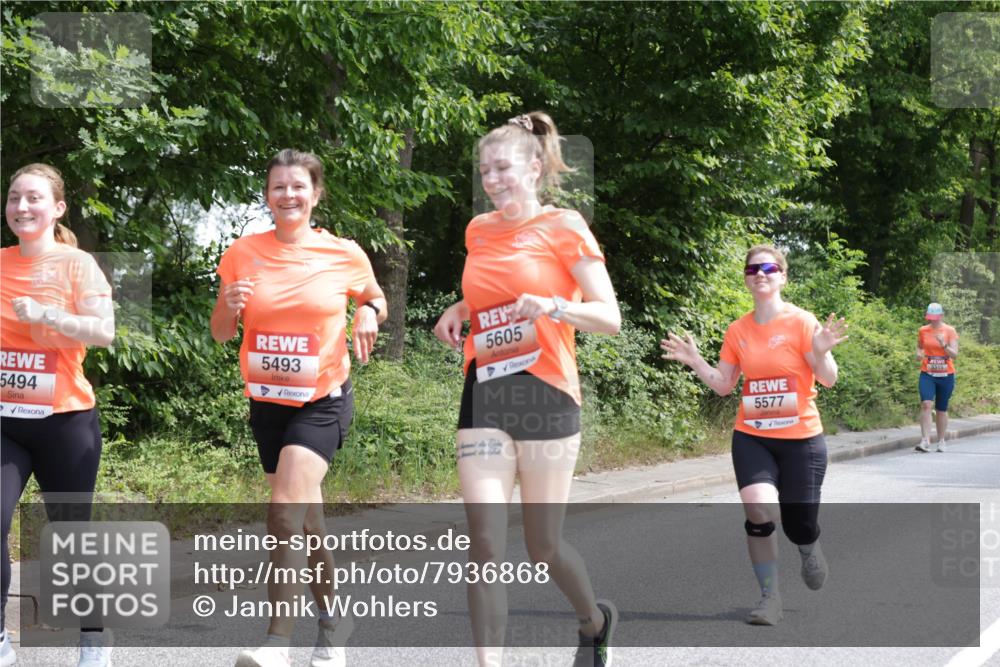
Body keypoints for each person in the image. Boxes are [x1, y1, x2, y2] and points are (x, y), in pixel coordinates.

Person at [433, 112, 621, 667]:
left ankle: (594, 621)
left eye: (503, 167)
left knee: (543, 547)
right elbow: (495, 291)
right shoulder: (479, 230)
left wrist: (554, 306)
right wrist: (459, 308)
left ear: (534, 167)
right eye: (484, 170)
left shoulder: (566, 226)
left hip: (546, 393)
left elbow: (608, 316)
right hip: (486, 392)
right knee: (484, 544)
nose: (492, 179)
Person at [211, 149, 387, 667]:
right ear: (267, 195)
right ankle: (334, 622)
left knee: (283, 513)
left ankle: (275, 643)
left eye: (297, 186)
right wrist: (229, 306)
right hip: (267, 404)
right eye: (278, 187)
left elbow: (375, 296)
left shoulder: (344, 253)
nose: (288, 195)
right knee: (307, 522)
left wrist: (368, 313)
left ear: (316, 193)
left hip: (323, 401)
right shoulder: (242, 253)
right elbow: (222, 333)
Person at [660, 244, 847, 626]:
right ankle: (769, 598)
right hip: (753, 435)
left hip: (802, 440)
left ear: (782, 276)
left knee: (799, 525)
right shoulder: (738, 330)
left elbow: (828, 379)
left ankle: (809, 546)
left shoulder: (802, 322)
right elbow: (725, 385)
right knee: (758, 511)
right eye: (752, 269)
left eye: (769, 267)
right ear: (746, 279)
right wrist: (696, 361)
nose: (760, 273)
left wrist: (823, 351)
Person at [1, 164, 115, 666]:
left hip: (65, 421)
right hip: (6, 421)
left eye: (33, 198)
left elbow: (104, 331)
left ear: (57, 208)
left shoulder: (77, 264)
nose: (22, 207)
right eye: (13, 197)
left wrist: (46, 315)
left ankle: (92, 641)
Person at [914, 302, 958, 453]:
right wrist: (918, 354)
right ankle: (925, 440)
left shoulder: (949, 330)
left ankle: (941, 441)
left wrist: (943, 345)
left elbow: (955, 355)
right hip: (927, 373)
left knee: (941, 409)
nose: (932, 321)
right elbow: (919, 346)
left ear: (941, 316)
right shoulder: (923, 330)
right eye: (930, 318)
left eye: (935, 318)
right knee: (926, 404)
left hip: (946, 375)